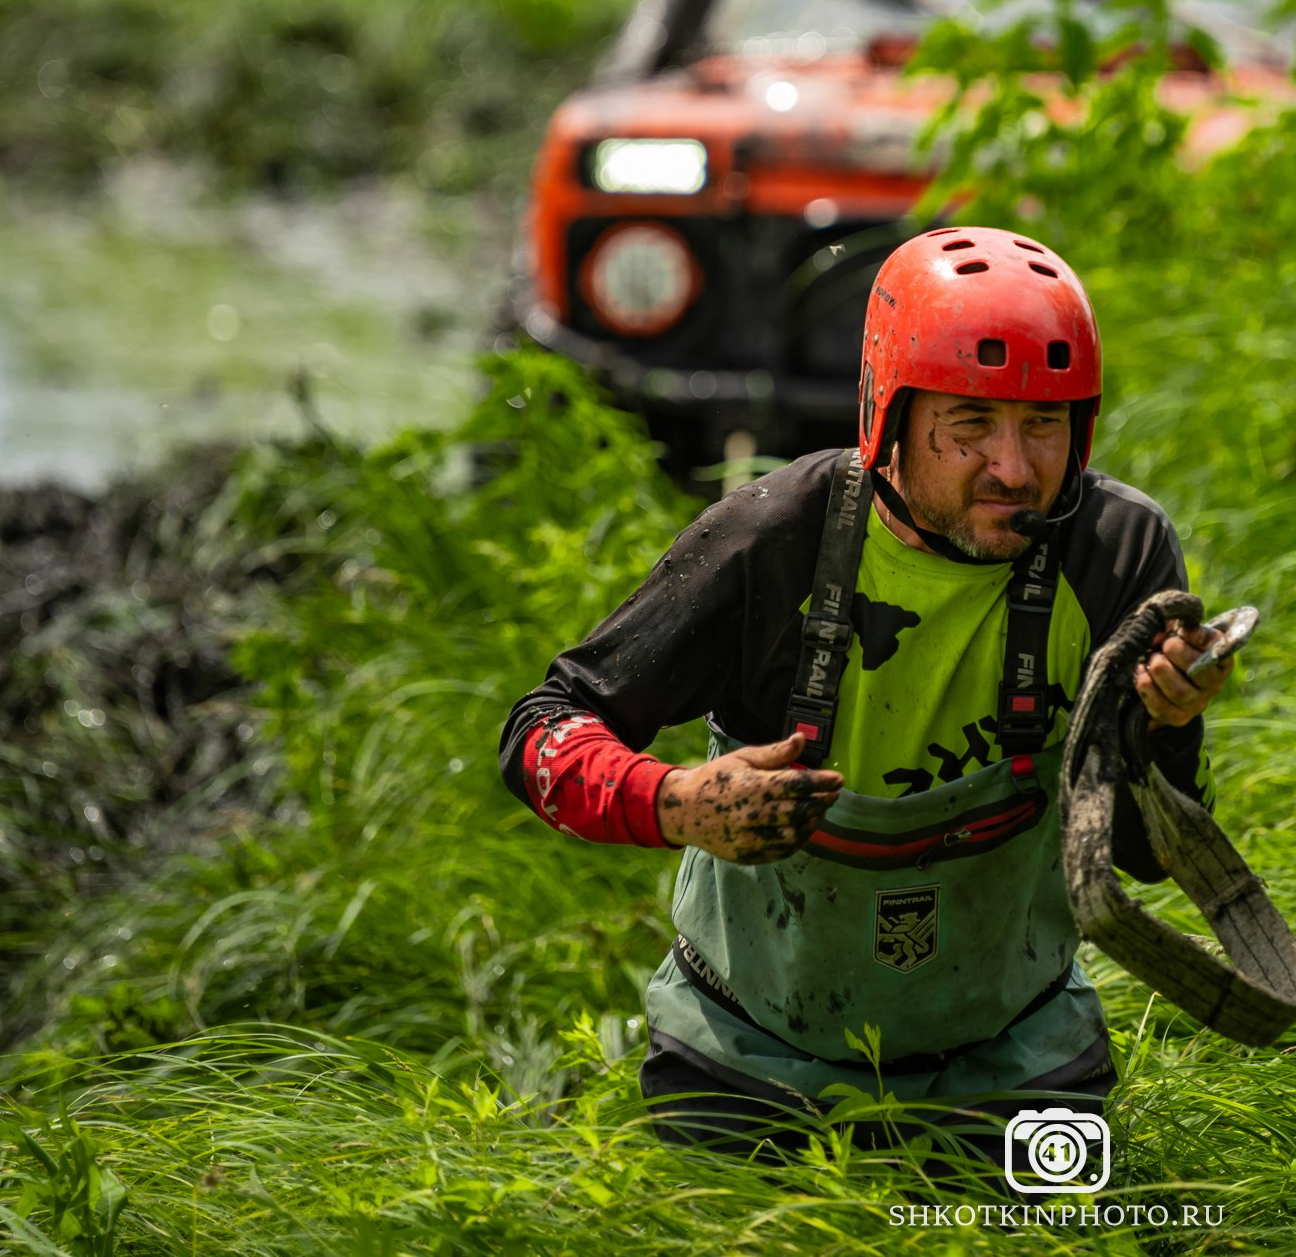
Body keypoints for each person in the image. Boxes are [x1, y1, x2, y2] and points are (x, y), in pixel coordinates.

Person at [498, 226, 1231, 1159]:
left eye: (1043, 423)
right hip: (745, 1048)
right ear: (887, 416)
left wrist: (1168, 726)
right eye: (970, 423)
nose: (1014, 466)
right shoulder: (771, 539)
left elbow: (1140, 855)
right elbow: (539, 732)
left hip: (1016, 1050)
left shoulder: (1115, 551)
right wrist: (676, 801)